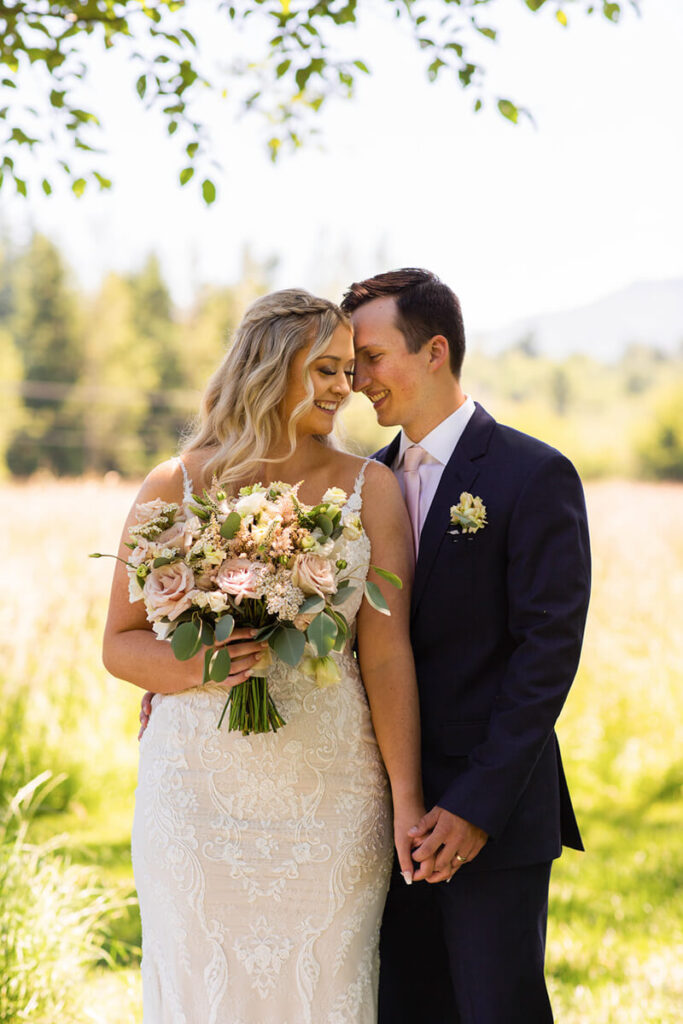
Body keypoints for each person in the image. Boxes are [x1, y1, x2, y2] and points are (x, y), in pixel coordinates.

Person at [102, 289, 425, 1023]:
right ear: (270, 368)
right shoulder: (172, 486)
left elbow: (384, 656)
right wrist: (200, 666)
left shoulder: (370, 489)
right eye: (326, 370)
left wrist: (407, 798)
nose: (345, 389)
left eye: (349, 371)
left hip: (333, 798)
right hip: (193, 797)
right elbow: (120, 643)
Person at [339, 268, 591, 1024]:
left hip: (492, 815)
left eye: (371, 358)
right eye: (350, 365)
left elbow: (545, 655)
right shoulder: (361, 484)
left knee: (495, 1009)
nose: (357, 381)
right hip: (379, 811)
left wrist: (474, 807)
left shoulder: (531, 474)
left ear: (434, 351)